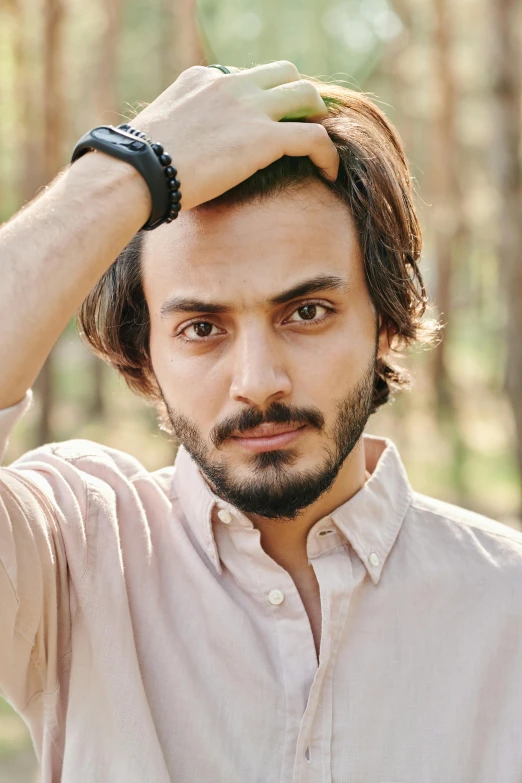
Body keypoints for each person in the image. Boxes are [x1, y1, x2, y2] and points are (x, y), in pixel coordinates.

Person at [1, 61, 521, 783]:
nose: (259, 382)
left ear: (386, 324)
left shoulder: (509, 605)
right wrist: (131, 167)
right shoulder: (74, 555)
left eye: (306, 312)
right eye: (202, 326)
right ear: (143, 355)